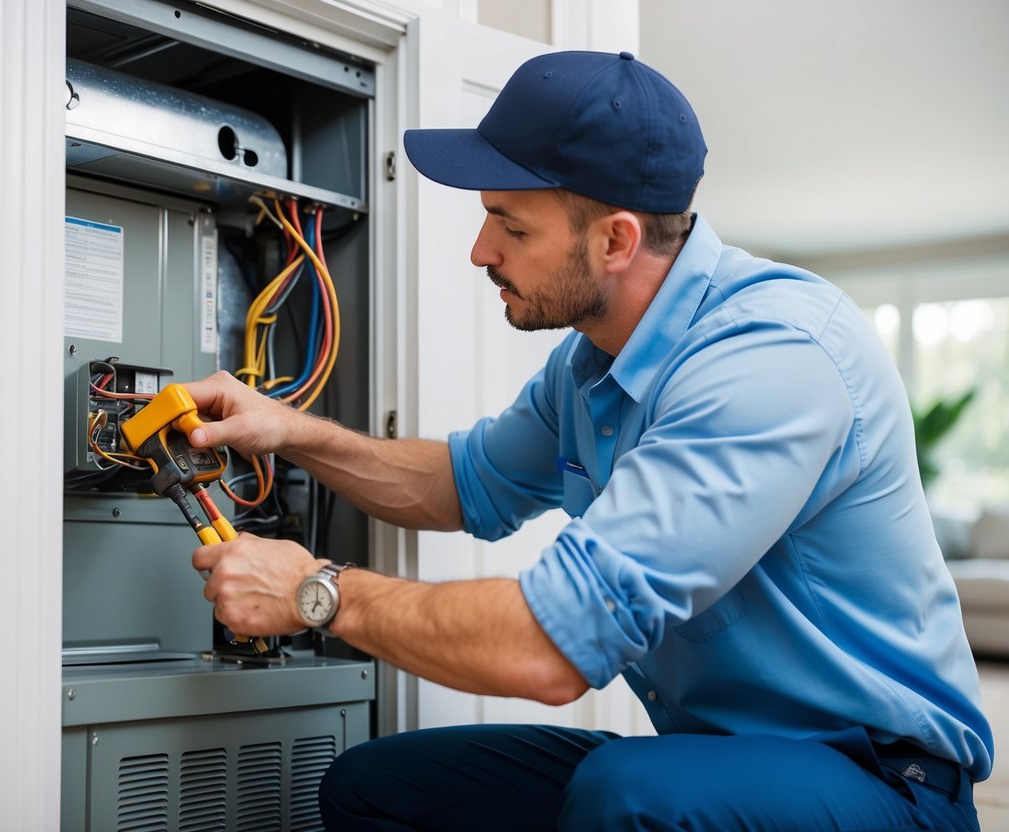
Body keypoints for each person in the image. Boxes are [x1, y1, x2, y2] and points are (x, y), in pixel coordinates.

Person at [184, 50, 992, 830]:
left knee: (630, 794)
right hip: (719, 762)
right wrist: (286, 430)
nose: (480, 252)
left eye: (510, 226)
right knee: (379, 787)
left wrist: (313, 591)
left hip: (882, 781)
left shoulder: (773, 359)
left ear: (615, 241)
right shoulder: (589, 366)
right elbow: (461, 484)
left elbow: (546, 652)